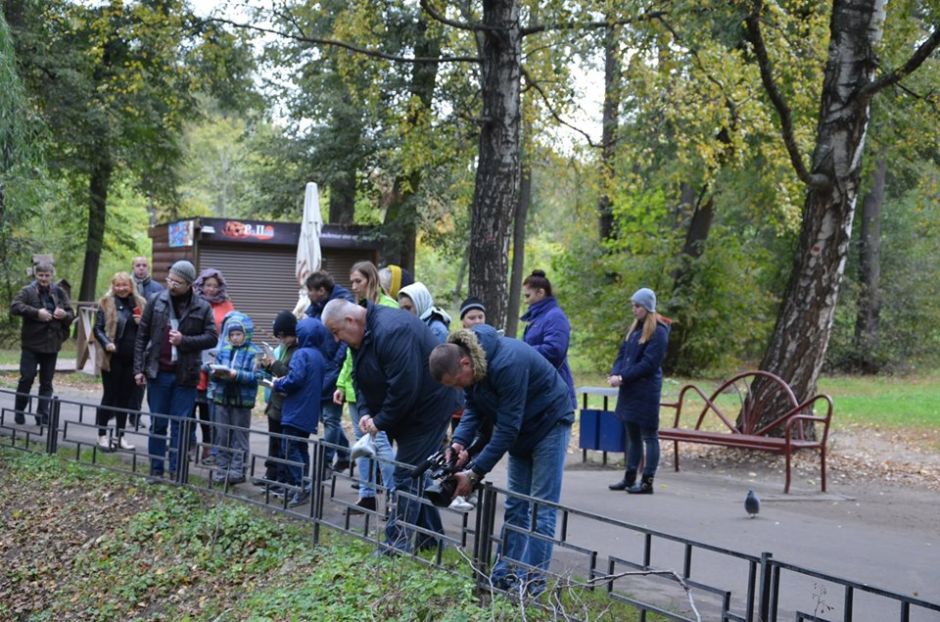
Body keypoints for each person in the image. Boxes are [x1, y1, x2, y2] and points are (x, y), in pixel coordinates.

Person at [429, 325, 574, 595]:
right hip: (521, 427)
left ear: (464, 362)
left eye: (459, 382)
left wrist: (473, 474)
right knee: (516, 505)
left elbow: (507, 429)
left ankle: (531, 585)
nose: (460, 388)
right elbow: (474, 407)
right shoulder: (472, 367)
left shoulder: (507, 363)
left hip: (550, 423)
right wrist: (459, 443)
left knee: (540, 506)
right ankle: (503, 574)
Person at [322, 298, 459, 552]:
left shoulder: (391, 330)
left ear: (350, 321)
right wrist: (365, 412)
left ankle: (396, 546)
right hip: (406, 412)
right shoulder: (362, 336)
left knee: (406, 475)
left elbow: (405, 386)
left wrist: (380, 420)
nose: (337, 339)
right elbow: (359, 377)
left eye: (336, 332)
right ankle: (430, 539)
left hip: (428, 410)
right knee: (415, 473)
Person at [134, 260, 217, 480]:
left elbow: (212, 337)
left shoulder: (202, 306)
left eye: (177, 282)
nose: (171, 285)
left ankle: (178, 472)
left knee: (181, 426)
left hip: (186, 375)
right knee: (158, 424)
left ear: (189, 284)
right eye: (170, 279)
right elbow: (141, 336)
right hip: (158, 372)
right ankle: (156, 471)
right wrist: (138, 369)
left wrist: (184, 340)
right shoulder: (156, 300)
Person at [334, 261, 398, 513]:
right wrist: (341, 382)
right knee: (361, 444)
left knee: (381, 444)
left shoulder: (388, 307)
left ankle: (395, 499)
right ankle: (366, 495)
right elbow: (350, 352)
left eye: (358, 281)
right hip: (354, 387)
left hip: (377, 389)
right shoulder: (356, 309)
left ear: (371, 280)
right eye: (351, 281)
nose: (354, 286)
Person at [606, 288, 670, 495]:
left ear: (647, 308)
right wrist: (615, 373)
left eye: (637, 306)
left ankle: (647, 481)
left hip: (646, 389)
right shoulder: (635, 330)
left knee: (649, 435)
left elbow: (649, 364)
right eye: (633, 305)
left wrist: (623, 377)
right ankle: (629, 476)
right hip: (630, 388)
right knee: (631, 434)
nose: (633, 309)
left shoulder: (658, 331)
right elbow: (622, 354)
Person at [272, 316, 330, 507]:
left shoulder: (301, 354)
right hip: (309, 411)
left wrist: (278, 383)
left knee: (289, 447)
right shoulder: (319, 355)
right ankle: (302, 484)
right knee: (301, 447)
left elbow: (294, 379)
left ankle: (300, 485)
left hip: (296, 409)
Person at [11, 261, 75, 426]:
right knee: (27, 378)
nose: (44, 279)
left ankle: (42, 415)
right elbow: (15, 307)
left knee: (47, 382)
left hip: (52, 344)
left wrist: (63, 314)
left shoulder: (59, 292)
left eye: (47, 275)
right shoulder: (27, 291)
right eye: (41, 275)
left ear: (52, 275)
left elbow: (71, 314)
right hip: (31, 344)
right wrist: (36, 313)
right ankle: (19, 411)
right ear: (36, 274)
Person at [304, 270, 355, 473]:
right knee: (327, 418)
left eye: (310, 290)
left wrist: (335, 363)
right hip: (321, 365)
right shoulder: (316, 306)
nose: (308, 294)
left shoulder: (343, 305)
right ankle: (344, 454)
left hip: (336, 368)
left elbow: (345, 340)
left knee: (331, 418)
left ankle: (325, 462)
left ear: (322, 291)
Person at [92, 272, 147, 450]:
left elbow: (148, 330)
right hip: (112, 357)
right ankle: (101, 435)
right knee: (109, 395)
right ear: (113, 286)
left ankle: (120, 436)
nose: (121, 289)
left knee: (125, 398)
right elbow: (97, 328)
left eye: (125, 285)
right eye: (118, 285)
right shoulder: (106, 303)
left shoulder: (140, 304)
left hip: (132, 358)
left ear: (131, 286)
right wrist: (106, 343)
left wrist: (142, 323)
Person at [206, 311, 260, 485]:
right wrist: (212, 371)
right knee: (222, 435)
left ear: (246, 333)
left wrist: (237, 375)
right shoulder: (224, 350)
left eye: (239, 334)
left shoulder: (254, 352)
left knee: (239, 437)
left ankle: (238, 471)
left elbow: (257, 377)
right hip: (222, 398)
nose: (235, 338)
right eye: (232, 334)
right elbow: (214, 376)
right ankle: (222, 471)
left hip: (242, 402)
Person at [193, 268, 235, 462]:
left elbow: (232, 331)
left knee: (209, 408)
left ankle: (209, 446)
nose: (210, 289)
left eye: (214, 286)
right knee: (189, 404)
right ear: (201, 285)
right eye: (207, 285)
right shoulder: (193, 301)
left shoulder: (226, 306)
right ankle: (188, 442)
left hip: (215, 359)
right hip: (193, 357)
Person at [520, 269, 576, 410]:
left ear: (540, 293)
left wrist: (522, 352)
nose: (525, 301)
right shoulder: (538, 318)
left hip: (555, 392)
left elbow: (554, 351)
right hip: (541, 390)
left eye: (528, 295)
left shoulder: (554, 317)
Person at [256, 311, 300, 485]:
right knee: (273, 443)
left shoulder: (298, 351)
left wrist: (274, 364)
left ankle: (282, 478)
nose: (281, 340)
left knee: (284, 445)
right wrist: (267, 367)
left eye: (283, 336)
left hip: (285, 404)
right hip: (274, 404)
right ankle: (271, 473)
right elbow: (277, 371)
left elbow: (289, 375)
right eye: (279, 336)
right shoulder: (283, 348)